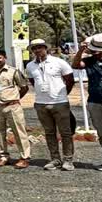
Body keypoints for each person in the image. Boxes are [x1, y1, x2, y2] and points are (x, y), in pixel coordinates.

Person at [26, 38, 76, 171]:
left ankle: (68, 160)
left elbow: (70, 80)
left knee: (66, 133)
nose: (37, 50)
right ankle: (55, 159)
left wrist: (63, 94)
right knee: (49, 132)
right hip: (41, 103)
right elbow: (32, 81)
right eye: (34, 48)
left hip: (59, 103)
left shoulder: (59, 62)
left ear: (46, 48)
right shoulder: (30, 66)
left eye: (40, 47)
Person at [0, 48, 30, 169]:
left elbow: (24, 87)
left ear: (4, 58)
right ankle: (3, 156)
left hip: (12, 107)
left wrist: (13, 98)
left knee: (19, 132)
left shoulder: (13, 72)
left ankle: (24, 157)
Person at [72, 34, 102, 170]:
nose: (95, 53)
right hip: (96, 101)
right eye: (93, 50)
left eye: (97, 50)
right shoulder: (90, 60)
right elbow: (75, 65)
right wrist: (81, 51)